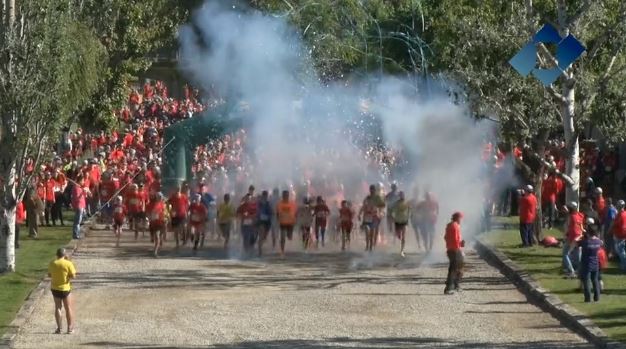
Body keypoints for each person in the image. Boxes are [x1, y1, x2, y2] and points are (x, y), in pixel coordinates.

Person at [48, 248, 77, 334]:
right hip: (65, 288)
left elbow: (49, 274)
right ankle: (70, 328)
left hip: (55, 288)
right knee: (68, 308)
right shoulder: (68, 263)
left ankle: (59, 328)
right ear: (64, 255)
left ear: (57, 255)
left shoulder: (52, 263)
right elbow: (73, 276)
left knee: (58, 307)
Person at [577, 224, 603, 302]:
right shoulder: (598, 242)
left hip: (586, 264)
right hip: (595, 263)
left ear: (588, 232)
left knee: (586, 281)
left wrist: (580, 235)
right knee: (595, 280)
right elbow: (601, 243)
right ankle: (597, 297)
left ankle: (588, 298)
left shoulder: (585, 242)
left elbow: (576, 242)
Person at [444, 212, 465, 295]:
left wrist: (460, 244)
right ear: (457, 218)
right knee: (454, 269)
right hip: (454, 250)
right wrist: (459, 248)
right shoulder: (455, 226)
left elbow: (446, 237)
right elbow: (455, 239)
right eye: (461, 218)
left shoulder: (450, 225)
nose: (461, 220)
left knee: (456, 268)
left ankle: (456, 285)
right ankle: (449, 287)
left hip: (451, 249)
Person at [564, 202, 584, 278]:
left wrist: (566, 236)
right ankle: (579, 270)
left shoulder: (571, 216)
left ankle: (571, 270)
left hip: (572, 237)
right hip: (579, 236)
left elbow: (568, 227)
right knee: (577, 254)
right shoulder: (580, 215)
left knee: (566, 254)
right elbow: (581, 227)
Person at [276, 190, 296, 257]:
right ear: (282, 196)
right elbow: (277, 213)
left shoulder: (292, 204)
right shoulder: (279, 204)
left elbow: (295, 213)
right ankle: (282, 251)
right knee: (282, 238)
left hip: (290, 223)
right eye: (284, 195)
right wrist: (278, 219)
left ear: (288, 196)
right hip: (283, 223)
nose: (286, 196)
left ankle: (289, 235)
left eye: (287, 195)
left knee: (289, 237)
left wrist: (294, 220)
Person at [391, 191, 410, 257]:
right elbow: (392, 211)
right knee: (399, 236)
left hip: (404, 221)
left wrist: (408, 217)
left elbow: (410, 210)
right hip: (397, 221)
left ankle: (402, 251)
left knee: (403, 237)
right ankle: (399, 240)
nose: (402, 196)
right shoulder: (396, 203)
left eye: (403, 195)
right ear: (399, 196)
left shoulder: (407, 202)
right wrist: (393, 217)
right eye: (401, 195)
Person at [146, 193, 166, 257]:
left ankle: (156, 251)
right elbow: (148, 213)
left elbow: (165, 213)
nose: (159, 198)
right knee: (156, 237)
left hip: (161, 223)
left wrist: (166, 218)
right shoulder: (151, 204)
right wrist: (149, 218)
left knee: (160, 237)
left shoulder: (163, 204)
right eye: (158, 197)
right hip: (153, 223)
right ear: (156, 197)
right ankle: (155, 252)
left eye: (160, 196)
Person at [610, 200, 626, 271]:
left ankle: (624, 266)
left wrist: (613, 225)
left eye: (619, 206)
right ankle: (623, 265)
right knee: (620, 251)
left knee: (621, 252)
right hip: (619, 235)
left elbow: (618, 225)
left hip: (620, 235)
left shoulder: (621, 215)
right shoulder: (621, 213)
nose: (618, 207)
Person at [256, 191, 273, 256]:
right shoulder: (259, 203)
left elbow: (271, 211)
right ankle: (260, 250)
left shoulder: (267, 203)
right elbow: (256, 211)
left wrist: (271, 213)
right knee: (261, 236)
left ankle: (260, 247)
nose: (265, 197)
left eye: (266, 196)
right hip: (261, 222)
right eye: (264, 196)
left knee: (264, 236)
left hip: (267, 222)